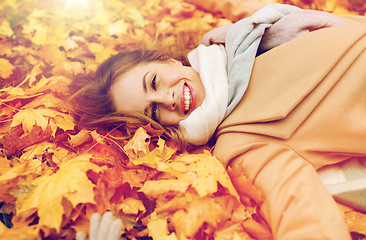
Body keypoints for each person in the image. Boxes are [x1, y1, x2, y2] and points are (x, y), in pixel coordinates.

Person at [71, 3, 366, 240]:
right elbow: (300, 209)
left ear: (170, 61)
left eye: (155, 82)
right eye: (154, 112)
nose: (167, 99)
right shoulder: (239, 142)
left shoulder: (246, 36)